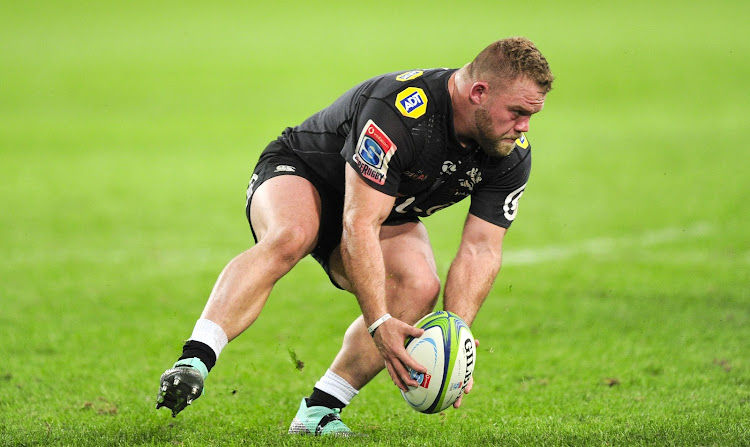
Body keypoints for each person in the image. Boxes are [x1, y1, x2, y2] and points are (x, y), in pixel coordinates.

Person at [156, 36, 554, 435]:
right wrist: (379, 322)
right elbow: (358, 222)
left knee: (418, 286)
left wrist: (455, 336)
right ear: (479, 93)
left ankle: (319, 412)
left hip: (382, 208)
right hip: (305, 174)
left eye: (531, 115)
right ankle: (193, 362)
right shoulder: (401, 112)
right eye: (517, 112)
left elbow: (480, 248)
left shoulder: (509, 152)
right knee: (292, 234)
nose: (524, 127)